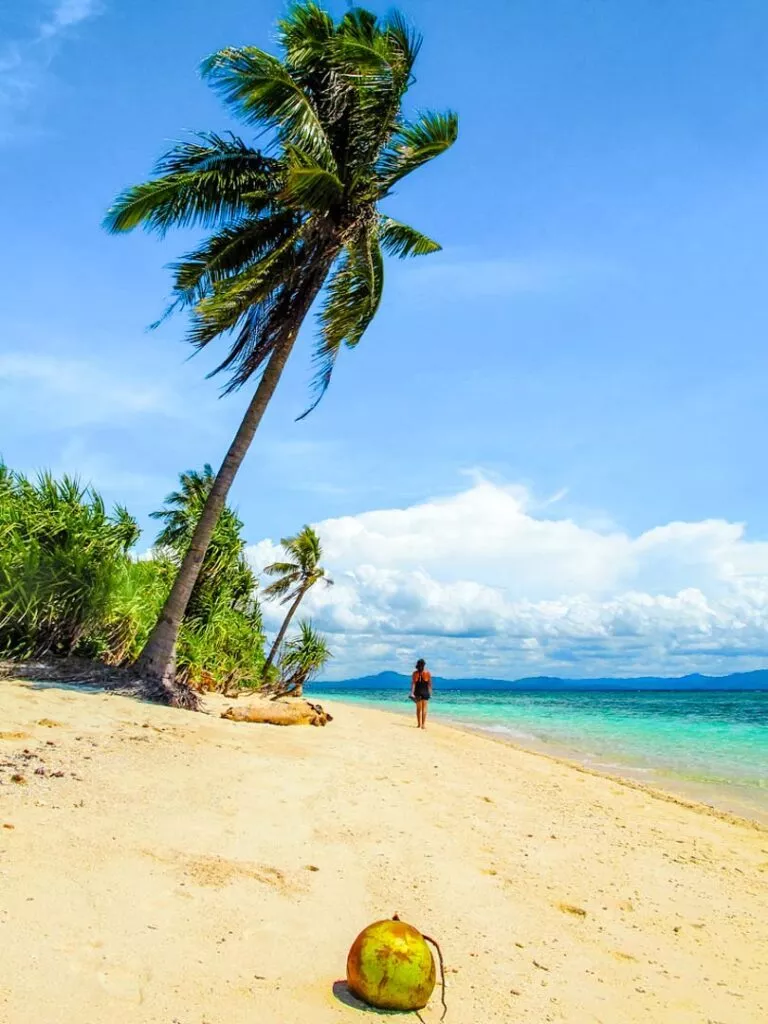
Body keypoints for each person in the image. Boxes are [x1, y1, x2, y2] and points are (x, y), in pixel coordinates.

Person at [410, 658, 432, 729]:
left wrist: (412, 693)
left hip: (418, 692)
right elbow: (429, 684)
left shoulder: (415, 673)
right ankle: (423, 725)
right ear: (424, 665)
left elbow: (413, 684)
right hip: (425, 692)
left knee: (418, 709)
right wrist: (430, 693)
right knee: (424, 709)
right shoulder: (427, 673)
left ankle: (419, 724)